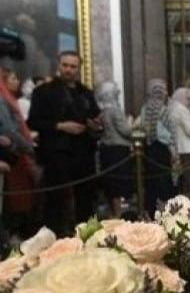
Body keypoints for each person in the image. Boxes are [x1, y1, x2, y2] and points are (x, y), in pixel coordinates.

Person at [27, 52, 102, 235]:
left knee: (85, 200)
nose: (68, 70)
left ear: (79, 69)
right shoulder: (43, 91)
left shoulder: (86, 92)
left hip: (83, 153)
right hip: (56, 154)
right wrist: (60, 126)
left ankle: (87, 238)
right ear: (59, 65)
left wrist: (95, 125)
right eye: (65, 65)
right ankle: (55, 240)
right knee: (55, 202)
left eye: (73, 66)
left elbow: (95, 118)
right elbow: (33, 122)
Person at [0, 66, 38, 237]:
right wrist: (27, 146)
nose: (17, 82)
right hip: (12, 154)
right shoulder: (3, 99)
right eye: (12, 78)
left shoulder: (8, 99)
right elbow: (9, 130)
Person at [136, 79, 176, 216]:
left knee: (151, 181)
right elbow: (172, 131)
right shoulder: (165, 110)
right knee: (164, 180)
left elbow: (142, 126)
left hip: (149, 148)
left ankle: (151, 211)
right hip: (163, 149)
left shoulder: (145, 109)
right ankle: (166, 211)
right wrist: (175, 150)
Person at [96, 81, 133, 218]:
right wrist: (131, 122)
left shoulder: (103, 111)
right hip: (118, 150)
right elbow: (125, 131)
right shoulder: (115, 111)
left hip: (107, 150)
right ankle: (119, 214)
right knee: (119, 185)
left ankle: (113, 214)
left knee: (111, 185)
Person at [169, 87, 190, 196]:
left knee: (183, 176)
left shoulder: (172, 108)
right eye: (188, 99)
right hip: (186, 147)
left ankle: (185, 196)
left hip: (177, 146)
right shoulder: (183, 110)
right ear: (182, 98)